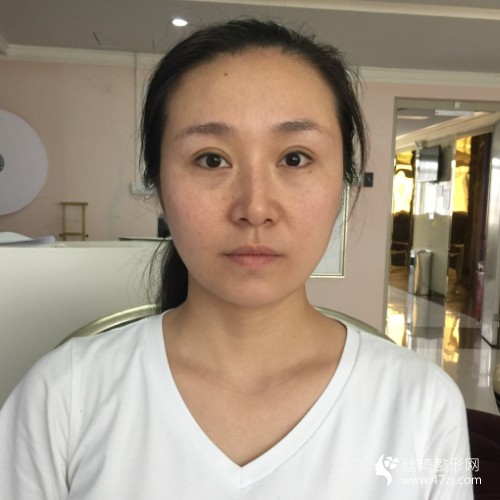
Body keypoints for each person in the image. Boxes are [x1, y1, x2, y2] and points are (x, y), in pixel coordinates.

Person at [0, 19, 473, 499]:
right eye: (211, 159)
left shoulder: (422, 405)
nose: (255, 208)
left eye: (294, 158)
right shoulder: (64, 394)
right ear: (158, 185)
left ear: (344, 185)